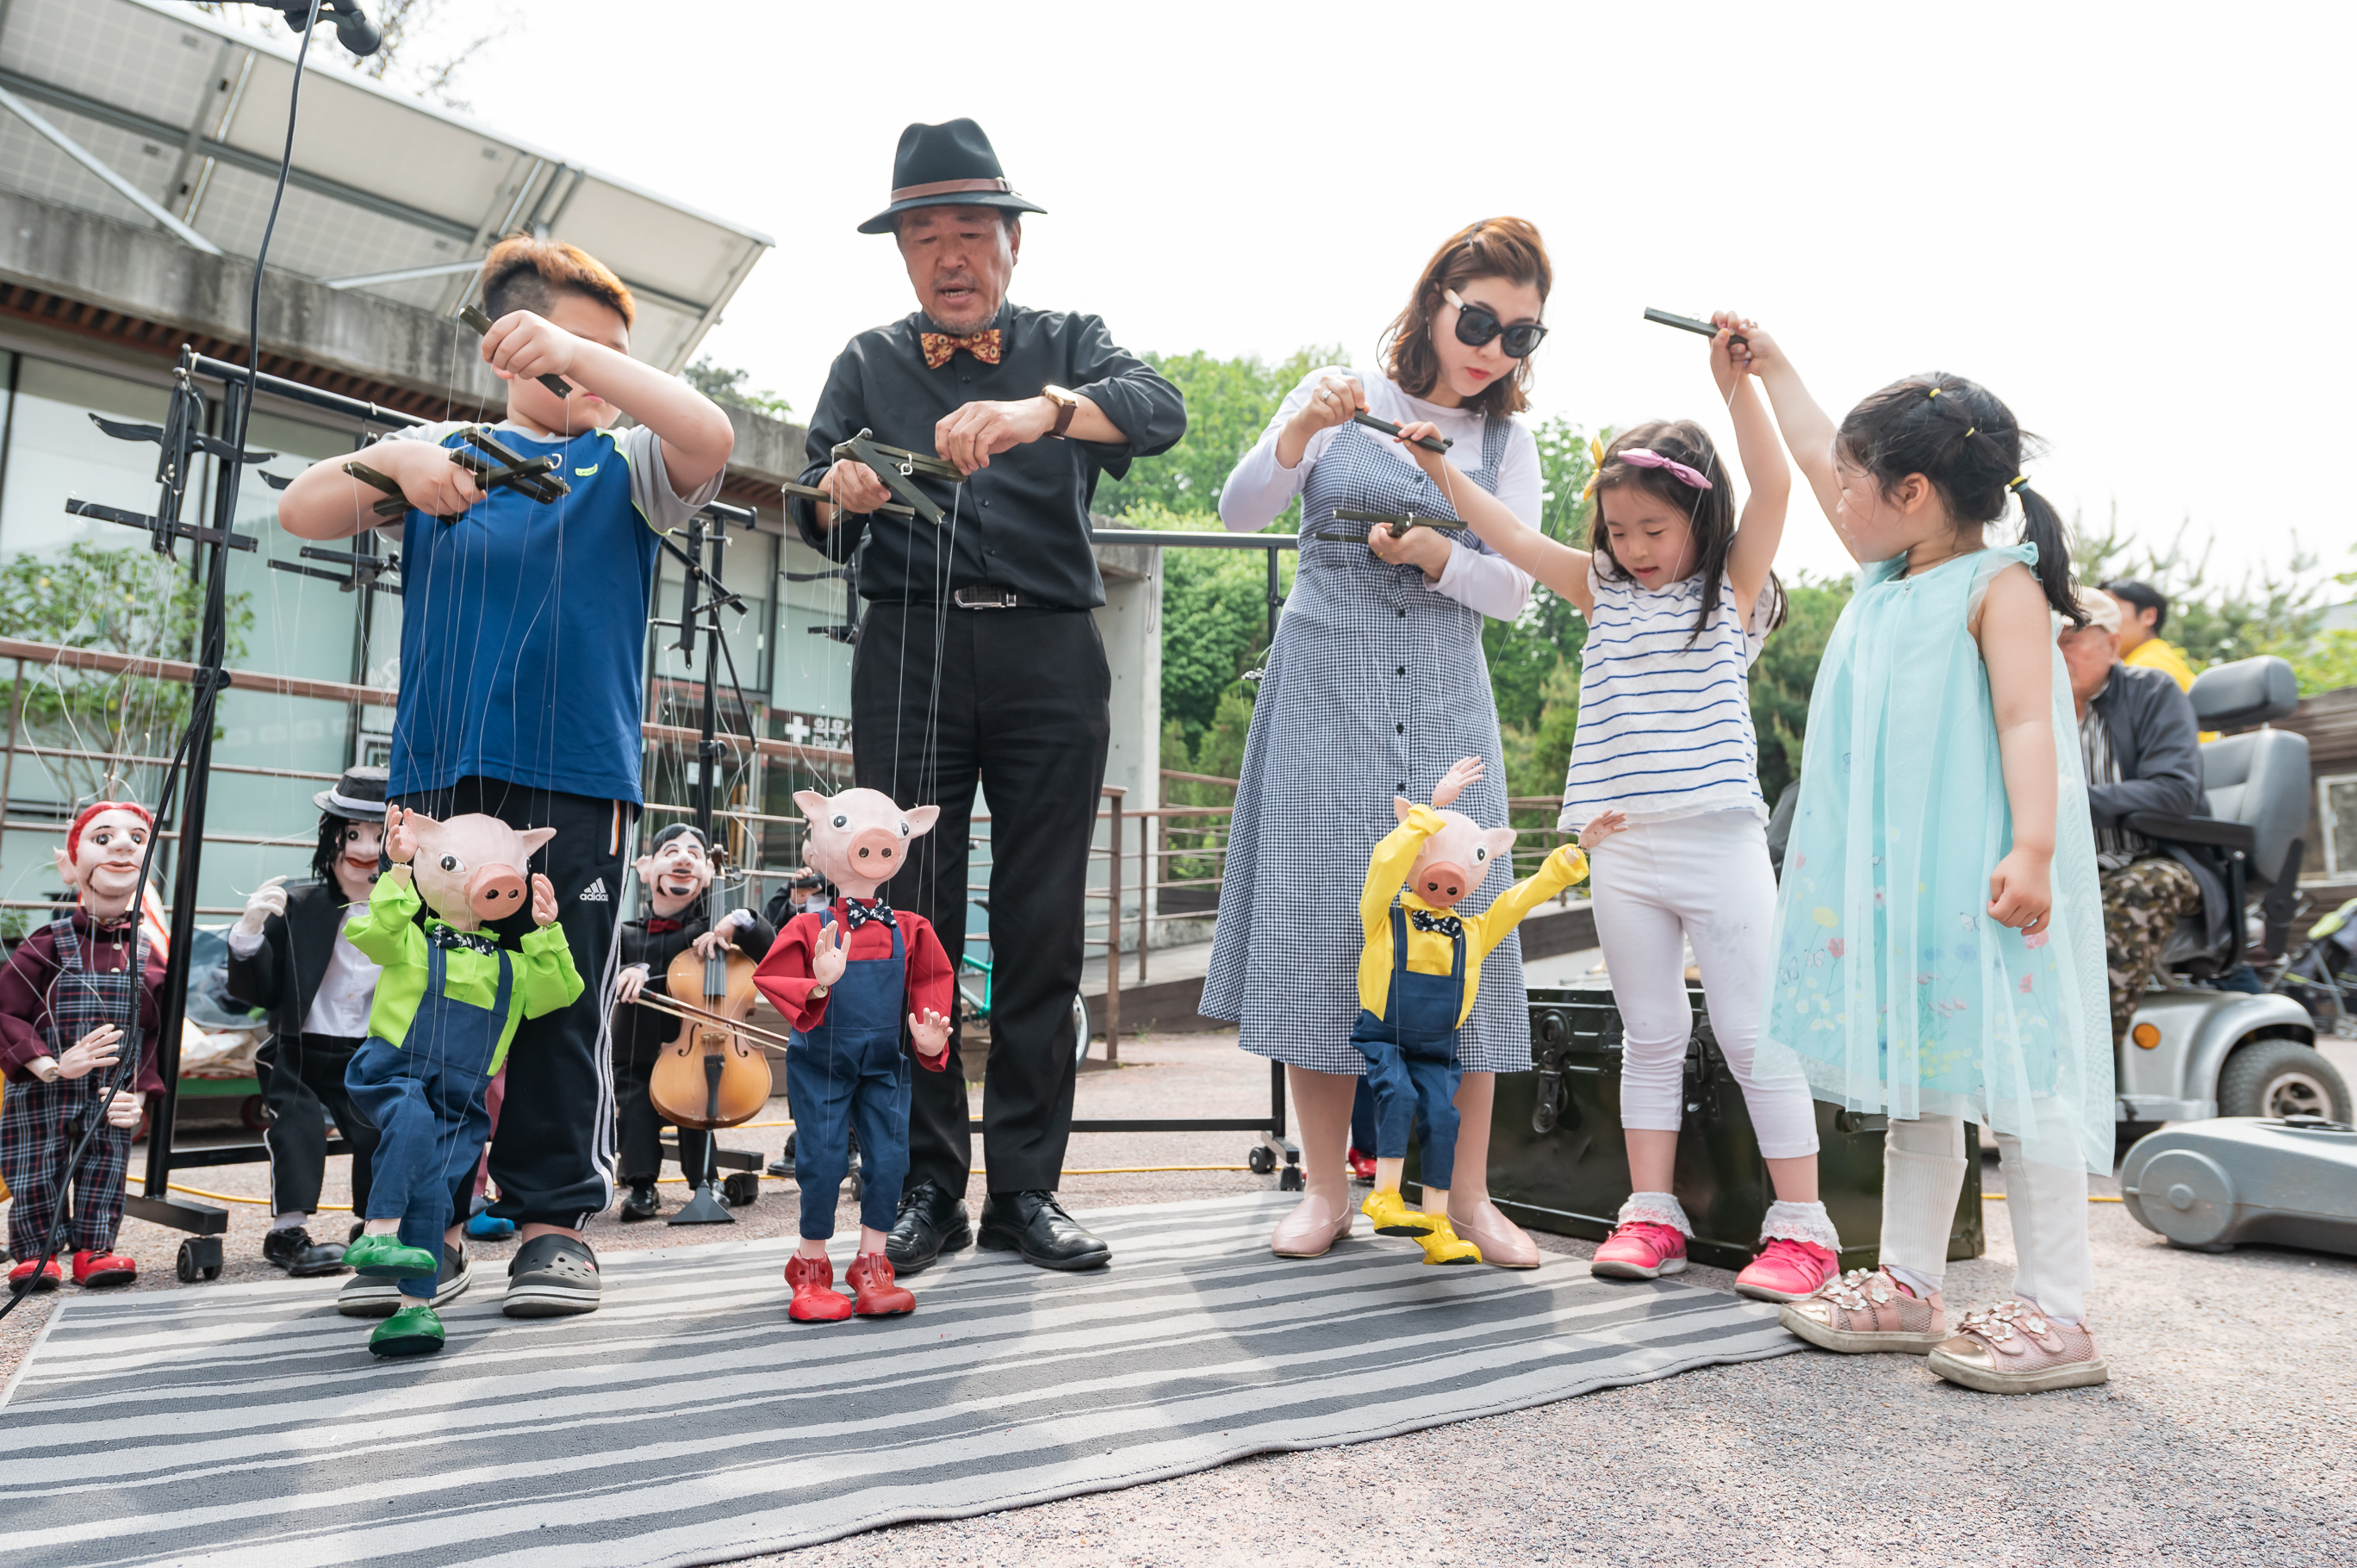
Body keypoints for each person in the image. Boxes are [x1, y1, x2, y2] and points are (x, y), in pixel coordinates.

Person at [278, 233, 734, 1317]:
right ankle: (422, 1225)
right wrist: (388, 465)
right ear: (505, 349)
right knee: (431, 1008)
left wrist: (590, 357)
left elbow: (706, 431)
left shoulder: (625, 462)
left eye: (611, 353)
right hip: (443, 781)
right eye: (569, 345)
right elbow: (301, 506)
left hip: (578, 780)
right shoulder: (439, 449)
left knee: (559, 1001)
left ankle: (550, 1226)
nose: (593, 371)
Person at [791, 119, 1185, 1276]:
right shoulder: (866, 359)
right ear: (902, 254)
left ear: (1012, 242)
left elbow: (1159, 413)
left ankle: (1026, 1190)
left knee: (1041, 921)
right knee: (900, 923)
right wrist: (844, 495)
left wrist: (1040, 412)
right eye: (925, 236)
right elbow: (806, 510)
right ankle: (925, 1185)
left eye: (971, 232)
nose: (949, 256)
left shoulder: (1072, 343)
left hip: (1051, 654)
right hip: (910, 646)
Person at [1437, 315, 1839, 1304]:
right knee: (1648, 1031)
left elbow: (1779, 485)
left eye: (1653, 529)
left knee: (1752, 1034)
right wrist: (1445, 477)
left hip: (1718, 840)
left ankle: (1804, 1229)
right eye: (1618, 530)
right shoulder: (1603, 591)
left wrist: (1736, 384)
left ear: (1699, 519)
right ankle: (1651, 1211)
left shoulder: (1731, 592)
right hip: (1621, 846)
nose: (1633, 546)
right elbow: (1517, 540)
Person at [1742, 327, 2114, 1395]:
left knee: (2024, 1078)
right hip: (1899, 890)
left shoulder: (1999, 586)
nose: (1835, 493)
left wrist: (2033, 847)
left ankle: (2059, 1307)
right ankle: (1909, 1278)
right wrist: (1771, 371)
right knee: (1921, 1082)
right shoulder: (1888, 573)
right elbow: (1820, 447)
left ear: (1910, 490)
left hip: (1987, 881)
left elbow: (2028, 723)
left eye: (1852, 482)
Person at [1204, 218, 1550, 1267]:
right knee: (1323, 930)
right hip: (1324, 691)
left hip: (1446, 695)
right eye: (1478, 318)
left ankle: (1470, 1197)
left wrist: (1441, 550)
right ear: (1434, 299)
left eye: (1521, 334)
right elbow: (1237, 510)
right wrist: (1297, 432)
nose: (1492, 347)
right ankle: (1325, 1192)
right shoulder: (1340, 390)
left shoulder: (1508, 443)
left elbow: (1517, 587)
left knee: (1470, 942)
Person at [1350, 758, 1600, 1263]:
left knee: (1443, 1119)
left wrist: (1579, 851)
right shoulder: (1383, 913)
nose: (1448, 880)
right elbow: (1384, 863)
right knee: (1396, 1094)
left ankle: (1438, 1226)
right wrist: (1431, 810)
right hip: (1386, 1036)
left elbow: (1523, 896)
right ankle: (1386, 1195)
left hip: (1438, 1049)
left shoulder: (1474, 931)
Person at [226, 765, 389, 1279]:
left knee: (378, 1129)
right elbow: (258, 992)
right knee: (298, 1126)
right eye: (352, 835)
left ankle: (375, 1227)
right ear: (331, 839)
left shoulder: (407, 915)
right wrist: (248, 933)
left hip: (369, 1050)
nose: (364, 850)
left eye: (379, 836)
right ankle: (287, 1232)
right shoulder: (297, 906)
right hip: (298, 1048)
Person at [0, 802, 166, 1291]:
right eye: (102, 839)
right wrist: (50, 1065)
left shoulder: (148, 954)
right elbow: (5, 1010)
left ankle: (96, 1247)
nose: (121, 847)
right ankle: (36, 1252)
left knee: (105, 1164)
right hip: (42, 1090)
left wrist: (138, 1092)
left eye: (138, 839)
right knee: (36, 1163)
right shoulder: (45, 944)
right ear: (69, 863)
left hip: (108, 1096)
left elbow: (154, 1031)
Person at [2055, 590, 2210, 1048]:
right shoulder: (2035, 709)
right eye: (2050, 638)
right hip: (2069, 866)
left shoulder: (2153, 691)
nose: (2057, 650)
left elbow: (2177, 790)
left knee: (2140, 889)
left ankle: (2090, 1060)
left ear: (2113, 646)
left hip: (2152, 859)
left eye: (2072, 638)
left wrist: (2076, 801)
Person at [610, 823, 776, 1220]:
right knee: (634, 1107)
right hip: (637, 1043)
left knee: (697, 1098)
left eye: (693, 854)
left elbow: (766, 948)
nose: (683, 858)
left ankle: (707, 1181)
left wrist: (741, 921)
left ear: (706, 872)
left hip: (699, 1044)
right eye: (671, 852)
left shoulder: (710, 933)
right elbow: (604, 972)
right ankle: (641, 1186)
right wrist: (628, 970)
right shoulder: (626, 933)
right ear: (645, 868)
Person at [2103, 577, 2215, 741]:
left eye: (2110, 610)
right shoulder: (2158, 657)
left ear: (2149, 616)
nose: (2098, 623)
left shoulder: (2145, 670)